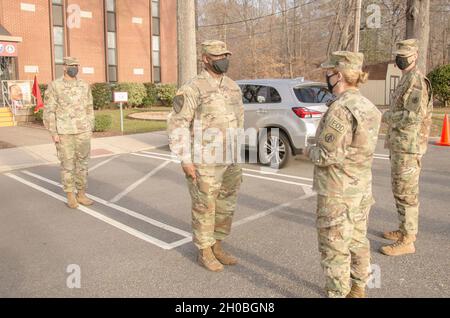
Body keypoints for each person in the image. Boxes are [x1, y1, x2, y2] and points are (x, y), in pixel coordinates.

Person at [306, 51, 381, 298]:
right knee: (358, 241)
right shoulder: (368, 106)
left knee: (334, 248)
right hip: (361, 189)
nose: (327, 77)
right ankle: (358, 288)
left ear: (338, 75)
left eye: (329, 73)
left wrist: (309, 150)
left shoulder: (340, 109)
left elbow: (329, 155)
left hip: (337, 192)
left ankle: (338, 292)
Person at [167, 40, 244, 272]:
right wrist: (185, 159)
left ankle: (217, 245)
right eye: (217, 56)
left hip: (230, 157)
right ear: (205, 59)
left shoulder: (233, 87)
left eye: (225, 55)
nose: (223, 59)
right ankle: (204, 251)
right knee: (204, 206)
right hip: (204, 160)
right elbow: (178, 123)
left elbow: (240, 120)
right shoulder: (192, 88)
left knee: (225, 205)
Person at [380, 39, 433, 256]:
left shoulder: (417, 81)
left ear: (415, 55)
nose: (399, 58)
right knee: (400, 191)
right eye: (398, 54)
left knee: (407, 194)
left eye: (404, 54)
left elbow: (412, 117)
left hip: (409, 147)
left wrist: (387, 116)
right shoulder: (406, 79)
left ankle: (408, 240)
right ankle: (403, 230)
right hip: (401, 145)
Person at [43, 57, 95, 209]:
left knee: (83, 164)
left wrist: (90, 126)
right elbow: (49, 111)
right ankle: (70, 195)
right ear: (64, 67)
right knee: (67, 165)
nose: (74, 68)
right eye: (71, 65)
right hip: (64, 132)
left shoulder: (84, 85)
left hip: (83, 131)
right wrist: (53, 132)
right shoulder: (55, 86)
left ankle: (81, 194)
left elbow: (89, 107)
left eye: (76, 65)